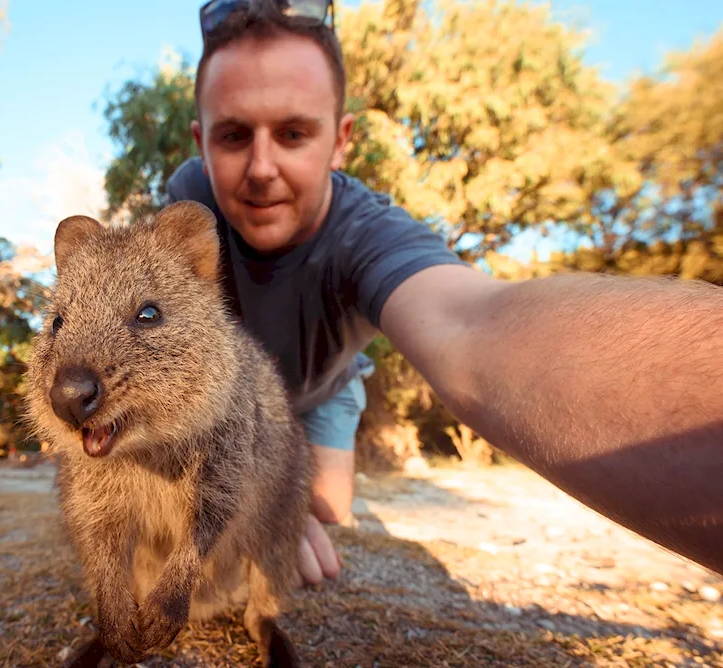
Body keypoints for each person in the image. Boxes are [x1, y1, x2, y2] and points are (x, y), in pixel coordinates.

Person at [165, 0, 723, 584]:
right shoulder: (186, 209)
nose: (261, 167)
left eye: (293, 133)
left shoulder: (366, 233)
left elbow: (470, 326)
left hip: (323, 390)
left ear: (339, 141)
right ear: (201, 143)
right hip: (237, 396)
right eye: (233, 137)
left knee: (327, 510)